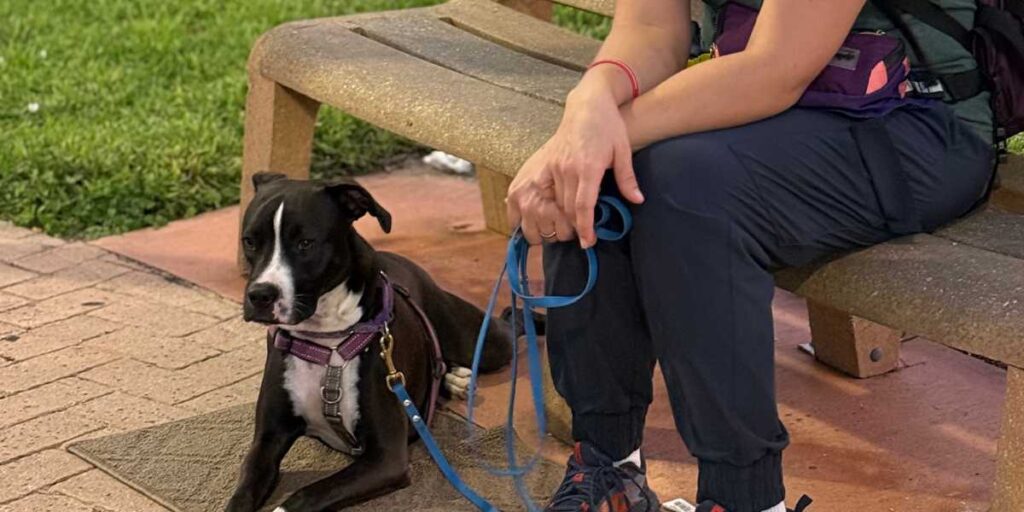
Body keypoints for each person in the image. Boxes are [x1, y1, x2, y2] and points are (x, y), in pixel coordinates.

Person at [504, 0, 996, 511]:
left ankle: (744, 497)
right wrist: (588, 105)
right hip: (763, 109)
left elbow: (775, 68)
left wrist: (587, 146)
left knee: (677, 186)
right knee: (593, 181)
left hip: (911, 120)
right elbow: (650, 30)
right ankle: (609, 469)